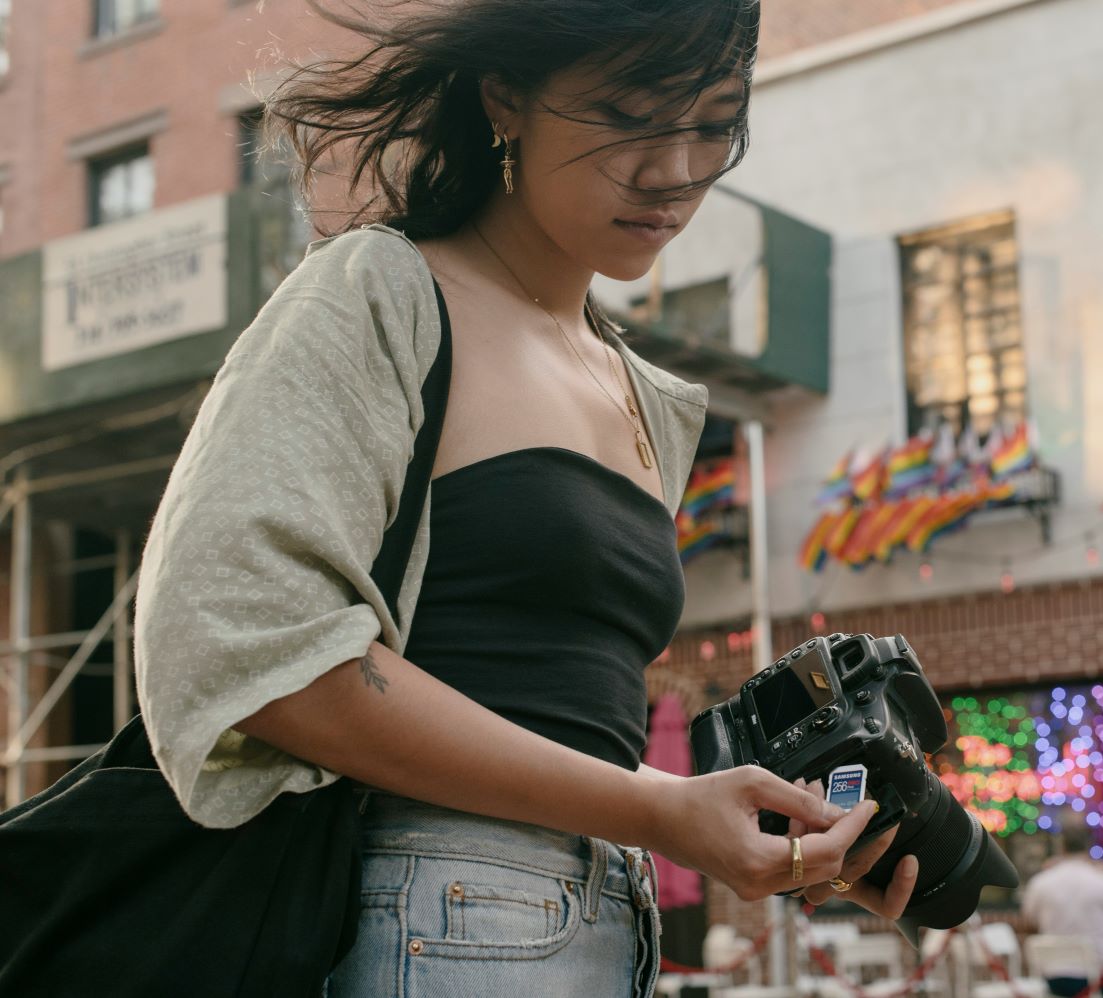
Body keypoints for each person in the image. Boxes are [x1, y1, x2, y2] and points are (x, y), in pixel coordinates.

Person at [131, 2, 919, 995]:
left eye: (714, 122)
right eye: (632, 114)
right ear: (506, 96)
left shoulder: (643, 392)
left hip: (600, 924)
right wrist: (663, 810)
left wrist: (761, 830)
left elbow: (563, 721)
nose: (676, 167)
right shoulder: (385, 292)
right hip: (436, 909)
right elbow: (257, 649)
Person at [1021, 817, 1103, 998]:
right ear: (1089, 847)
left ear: (1061, 847)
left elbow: (1029, 919)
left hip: (1055, 978)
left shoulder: (1040, 883)